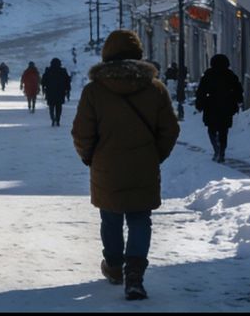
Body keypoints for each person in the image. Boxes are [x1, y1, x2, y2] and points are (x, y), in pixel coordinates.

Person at [71, 30, 179, 301]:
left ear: (107, 54)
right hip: (144, 164)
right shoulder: (155, 89)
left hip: (106, 165)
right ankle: (134, 274)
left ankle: (115, 266)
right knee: (140, 218)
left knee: (111, 217)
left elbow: (82, 131)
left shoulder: (94, 90)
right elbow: (169, 129)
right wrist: (155, 155)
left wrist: (89, 156)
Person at [194, 53, 243, 163]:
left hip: (211, 106)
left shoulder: (208, 75)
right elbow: (238, 90)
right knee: (223, 130)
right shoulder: (230, 75)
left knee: (211, 129)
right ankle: (222, 150)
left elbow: (201, 92)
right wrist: (238, 101)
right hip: (227, 106)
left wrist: (199, 104)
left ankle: (216, 148)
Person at [41, 57, 71, 126]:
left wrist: (43, 89)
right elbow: (68, 82)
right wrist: (68, 91)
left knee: (51, 107)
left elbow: (43, 81)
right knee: (59, 107)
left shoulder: (48, 71)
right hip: (60, 92)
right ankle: (58, 120)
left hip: (50, 92)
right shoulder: (63, 71)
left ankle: (52, 118)